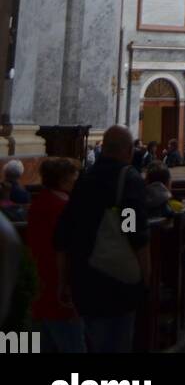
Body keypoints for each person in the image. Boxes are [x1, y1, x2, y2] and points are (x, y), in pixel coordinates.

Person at [55, 124, 150, 353]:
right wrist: (145, 277)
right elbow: (132, 229)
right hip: (118, 281)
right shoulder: (129, 180)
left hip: (85, 278)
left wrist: (63, 281)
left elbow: (63, 235)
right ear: (128, 151)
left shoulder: (83, 181)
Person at [27, 157, 87, 353]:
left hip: (39, 282)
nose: (76, 180)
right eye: (74, 176)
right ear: (63, 180)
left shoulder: (38, 203)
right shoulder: (64, 207)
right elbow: (68, 250)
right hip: (60, 286)